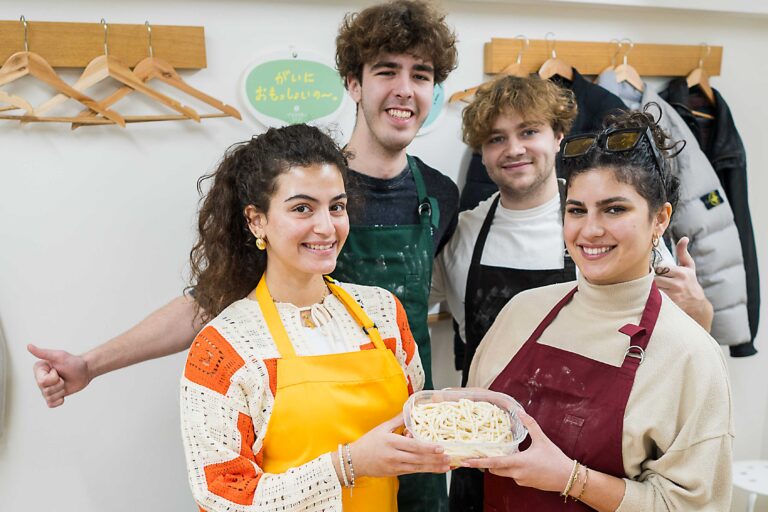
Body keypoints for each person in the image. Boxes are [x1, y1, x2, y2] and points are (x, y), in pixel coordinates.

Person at [29, 1, 458, 510]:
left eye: (421, 75)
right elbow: (216, 301)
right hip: (307, 459)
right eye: (387, 71)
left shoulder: (440, 194)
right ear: (354, 83)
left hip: (403, 437)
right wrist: (92, 363)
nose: (405, 89)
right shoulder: (299, 175)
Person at [433, 75, 715, 511]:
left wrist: (700, 315)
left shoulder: (678, 339)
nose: (590, 230)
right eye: (577, 213)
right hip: (484, 469)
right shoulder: (470, 240)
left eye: (529, 131)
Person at [180, 123, 450, 511]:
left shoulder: (383, 313)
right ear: (257, 220)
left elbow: (412, 423)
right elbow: (221, 497)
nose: (326, 227)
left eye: (336, 206)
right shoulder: (225, 347)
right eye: (302, 208)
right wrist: (347, 465)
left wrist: (464, 425)